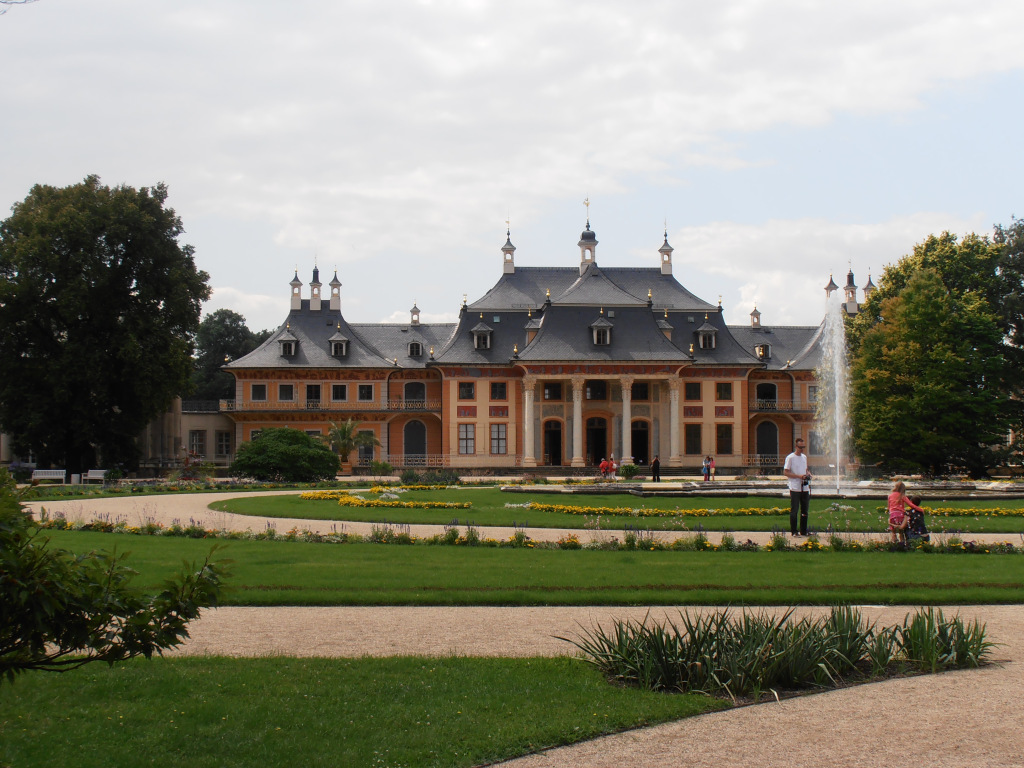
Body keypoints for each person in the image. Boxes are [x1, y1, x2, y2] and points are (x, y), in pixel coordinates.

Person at [783, 438, 812, 536]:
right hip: (795, 487)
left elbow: (805, 469)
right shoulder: (790, 457)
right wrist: (799, 476)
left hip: (804, 487)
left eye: (803, 447)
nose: (802, 449)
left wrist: (808, 474)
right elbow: (786, 472)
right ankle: (794, 531)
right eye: (800, 447)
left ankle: (804, 530)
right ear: (796, 446)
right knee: (794, 510)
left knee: (805, 510)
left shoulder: (804, 457)